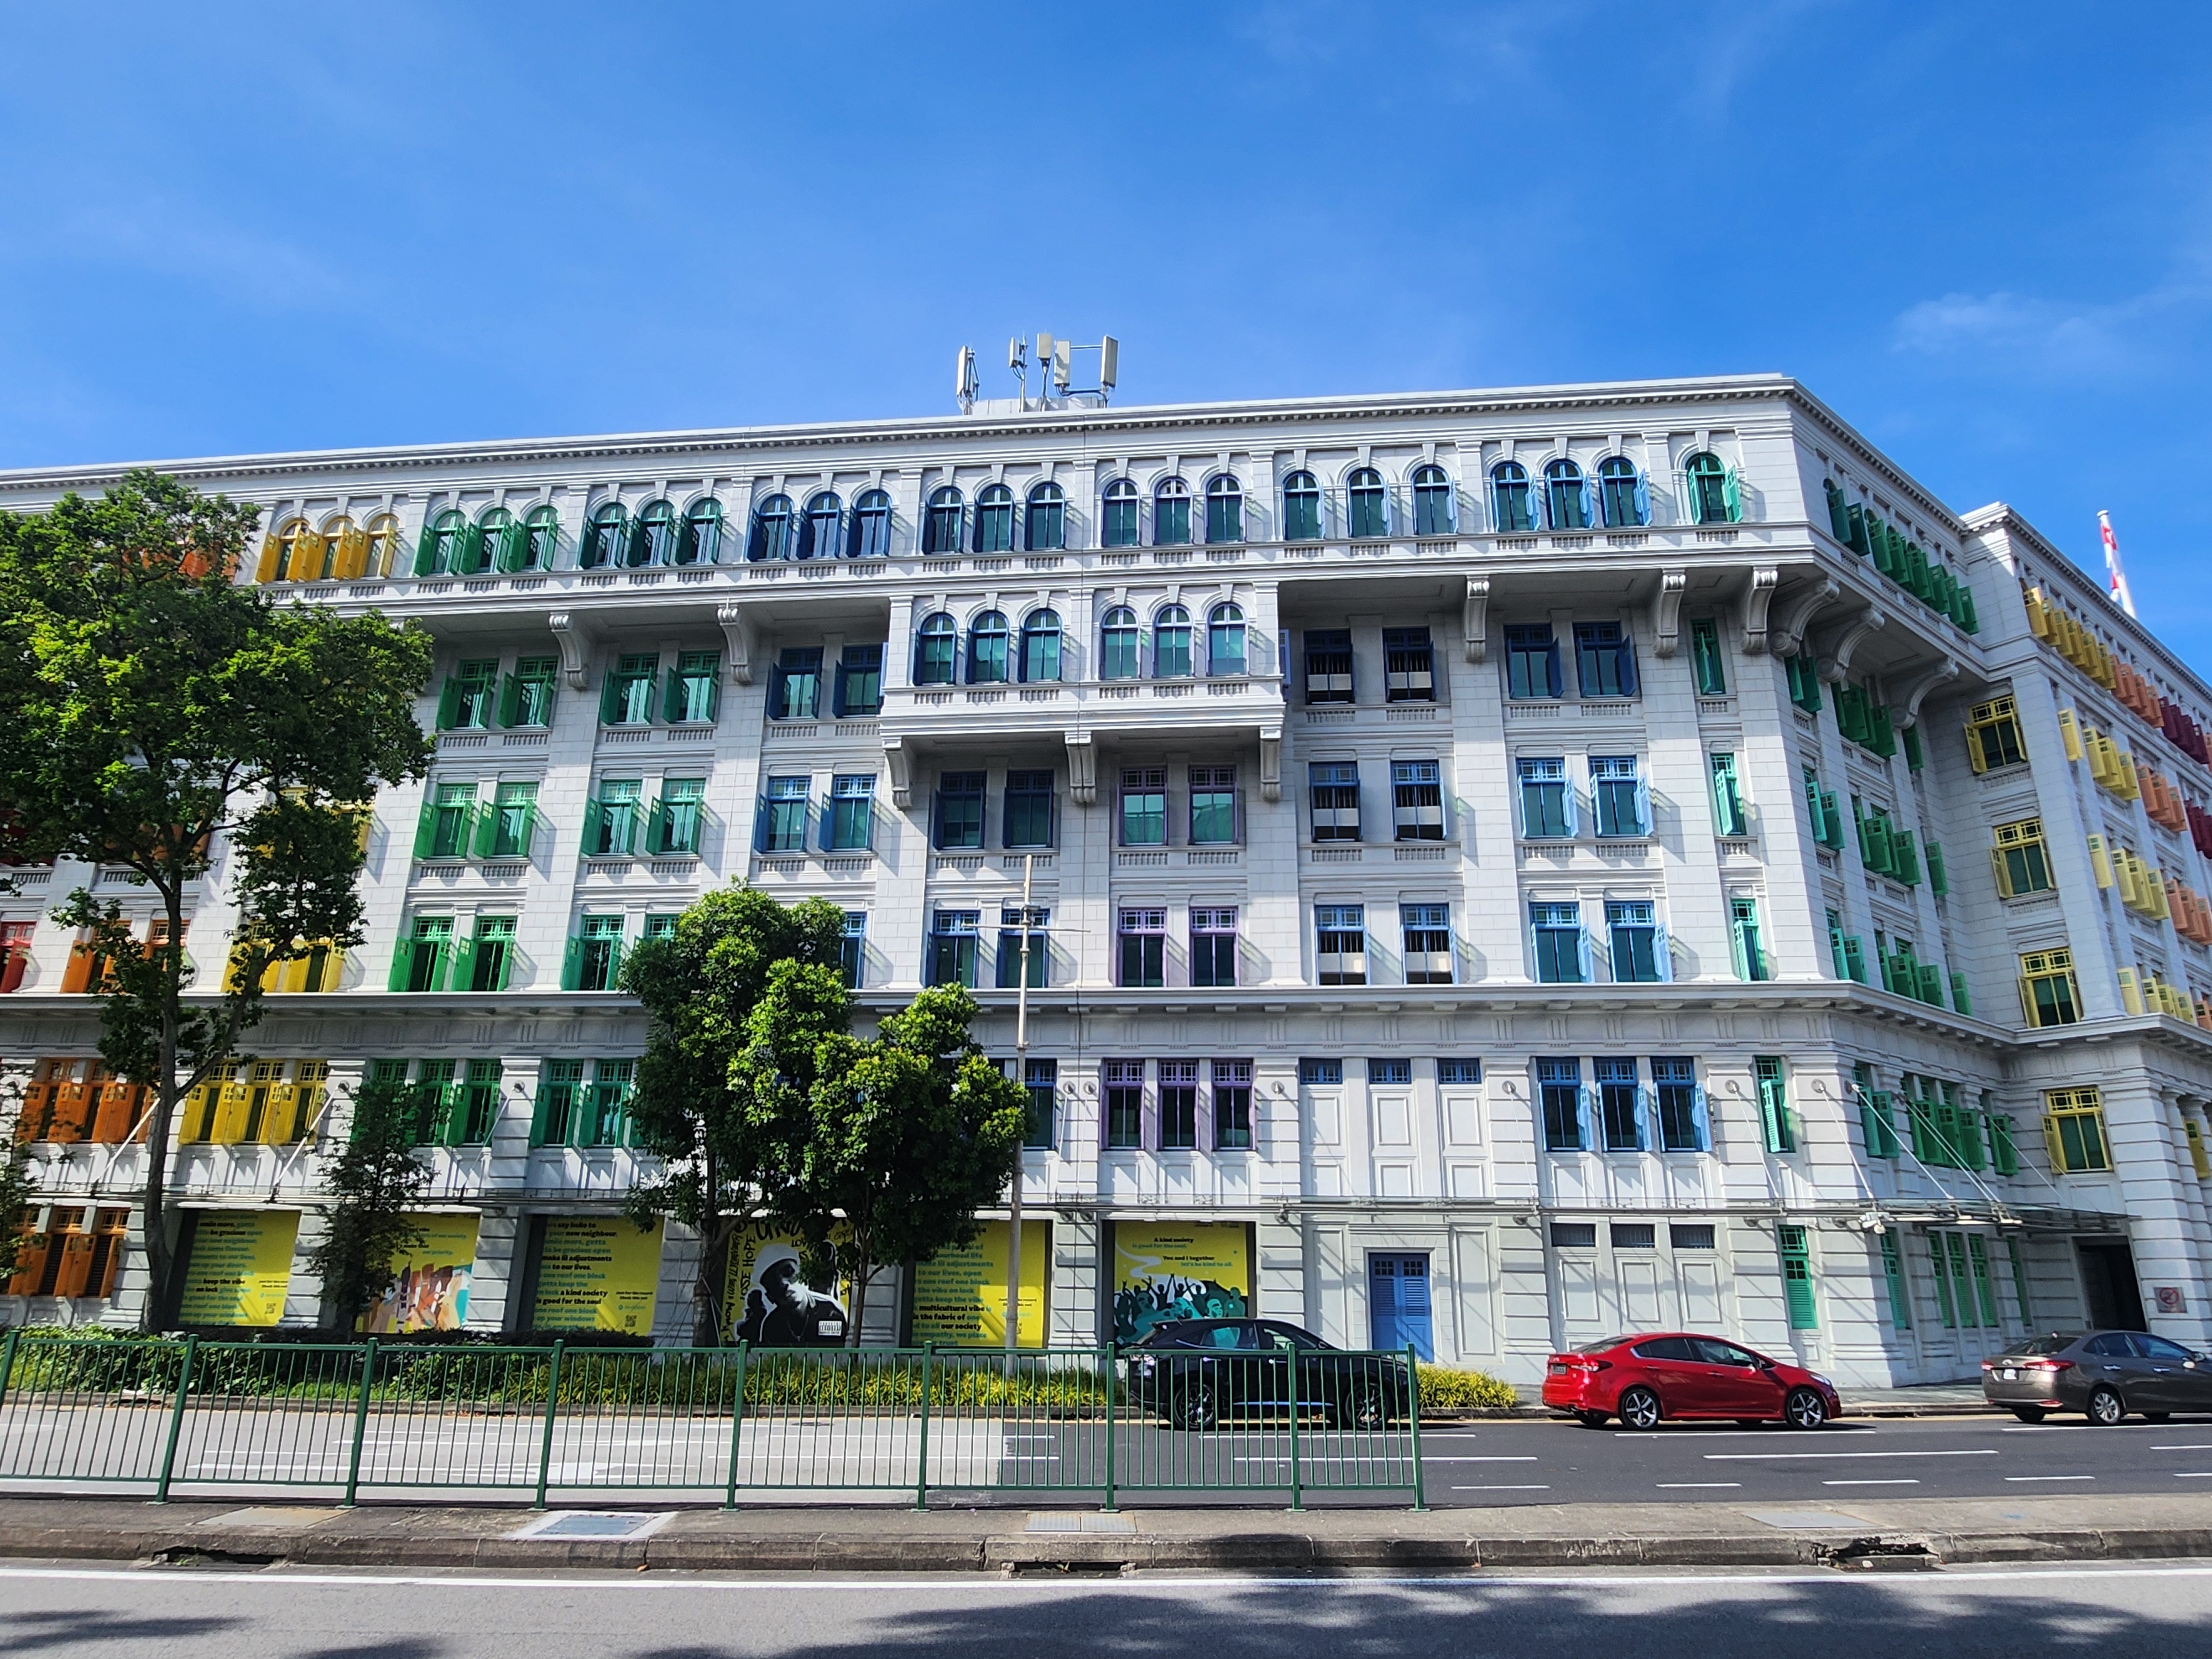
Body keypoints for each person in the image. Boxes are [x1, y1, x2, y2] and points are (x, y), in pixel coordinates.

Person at [734, 1247, 849, 1345]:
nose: (784, 1283)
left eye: (789, 1272)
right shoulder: (772, 1326)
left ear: (802, 1274)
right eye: (774, 1282)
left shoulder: (830, 1312)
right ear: (770, 1297)